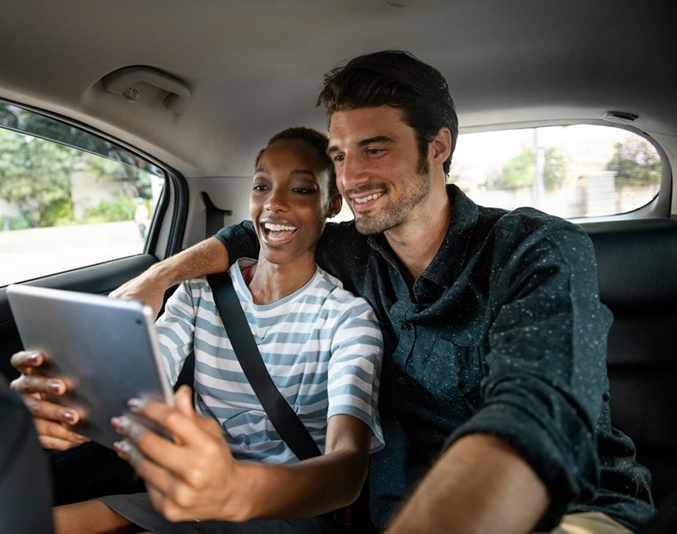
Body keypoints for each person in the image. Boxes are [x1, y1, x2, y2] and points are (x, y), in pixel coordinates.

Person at [110, 50, 656, 533]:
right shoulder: (350, 248)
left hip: (571, 508)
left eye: (375, 150)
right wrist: (153, 280)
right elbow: (243, 236)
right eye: (341, 156)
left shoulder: (534, 247)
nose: (350, 178)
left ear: (437, 146)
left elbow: (535, 415)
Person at [11, 126, 384, 533]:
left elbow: (348, 471)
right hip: (188, 496)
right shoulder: (198, 294)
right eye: (261, 186)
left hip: (287, 510)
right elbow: (137, 380)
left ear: (331, 205)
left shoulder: (348, 319)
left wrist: (234, 488)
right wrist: (68, 401)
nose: (273, 203)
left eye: (301, 190)